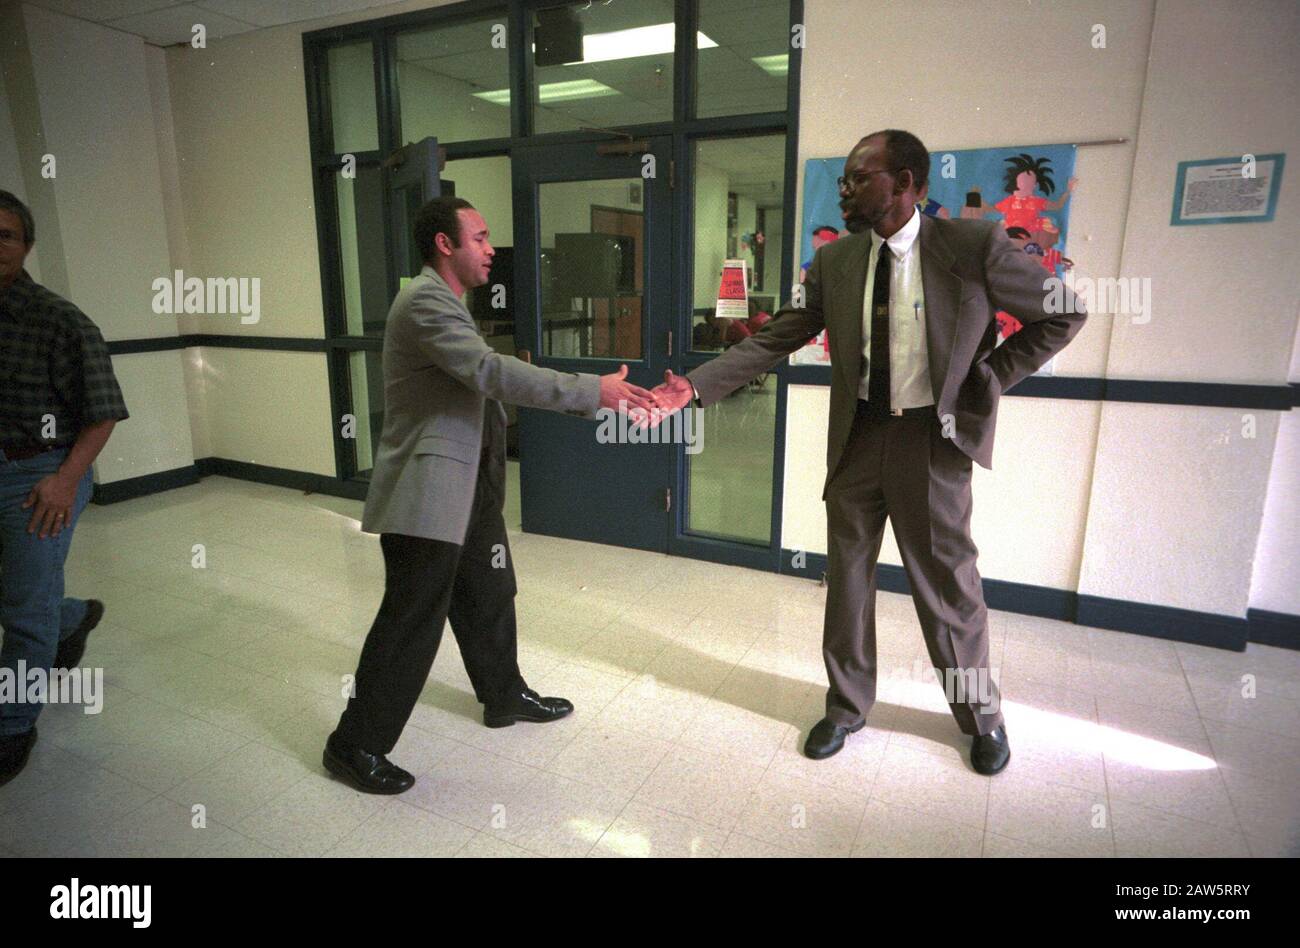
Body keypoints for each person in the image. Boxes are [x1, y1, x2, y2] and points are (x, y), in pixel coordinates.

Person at [651, 131, 1086, 775]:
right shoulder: (837, 262)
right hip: (858, 438)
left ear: (907, 182)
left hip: (930, 445)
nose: (845, 189)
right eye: (845, 179)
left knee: (947, 589)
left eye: (860, 177)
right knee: (848, 583)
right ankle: (847, 706)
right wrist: (695, 384)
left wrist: (987, 378)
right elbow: (777, 336)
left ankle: (982, 720)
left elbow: (1061, 312)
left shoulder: (971, 246)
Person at [325, 196, 656, 794]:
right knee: (410, 620)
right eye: (478, 238)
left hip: (467, 485)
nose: (491, 248)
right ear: (445, 245)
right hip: (428, 493)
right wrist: (591, 391)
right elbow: (489, 372)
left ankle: (503, 695)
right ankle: (354, 746)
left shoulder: (448, 302)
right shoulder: (425, 300)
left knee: (489, 589)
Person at [0, 190, 125, 785]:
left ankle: (13, 724)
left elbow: (102, 413)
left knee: (23, 611)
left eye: (6, 234)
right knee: (27, 596)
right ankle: (71, 617)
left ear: (26, 247)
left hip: (39, 474)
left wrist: (64, 482)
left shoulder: (60, 321)